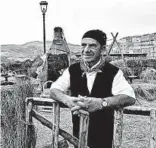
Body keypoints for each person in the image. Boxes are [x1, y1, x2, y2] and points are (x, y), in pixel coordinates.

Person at [50, 29, 136, 148]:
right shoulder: (72, 70)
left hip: (105, 138)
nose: (86, 50)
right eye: (84, 45)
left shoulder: (113, 72)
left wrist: (102, 103)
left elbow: (130, 97)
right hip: (78, 137)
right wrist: (67, 99)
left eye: (92, 46)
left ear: (103, 49)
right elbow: (54, 89)